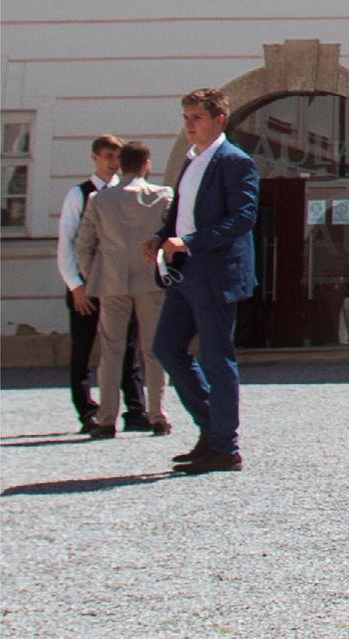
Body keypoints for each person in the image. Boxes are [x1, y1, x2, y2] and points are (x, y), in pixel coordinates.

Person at [152, 87, 256, 475]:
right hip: (185, 268)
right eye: (186, 118)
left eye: (196, 118)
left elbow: (243, 218)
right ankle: (211, 430)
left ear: (218, 119)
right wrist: (161, 237)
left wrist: (190, 241)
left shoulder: (235, 161)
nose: (189, 125)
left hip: (215, 271)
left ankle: (225, 447)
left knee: (216, 357)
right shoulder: (191, 159)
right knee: (166, 347)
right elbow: (180, 210)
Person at [73, 139, 175, 443]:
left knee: (111, 350)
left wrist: (95, 277)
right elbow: (173, 235)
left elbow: (83, 245)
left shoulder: (99, 200)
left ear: (121, 164)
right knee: (153, 350)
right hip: (150, 279)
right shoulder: (162, 196)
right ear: (147, 164)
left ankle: (106, 419)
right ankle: (157, 415)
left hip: (112, 280)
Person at [54, 136, 122, 434]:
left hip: (118, 285)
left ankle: (129, 407)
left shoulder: (124, 191)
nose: (113, 162)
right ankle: (86, 411)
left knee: (124, 349)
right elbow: (66, 243)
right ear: (95, 158)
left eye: (117, 156)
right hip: (85, 285)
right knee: (81, 350)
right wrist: (75, 285)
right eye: (108, 156)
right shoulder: (79, 194)